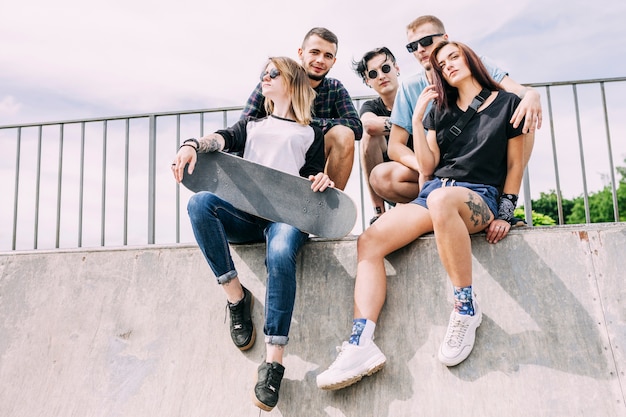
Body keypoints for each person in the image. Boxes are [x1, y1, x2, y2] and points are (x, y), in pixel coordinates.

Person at [316, 40, 528, 390]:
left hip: (479, 196)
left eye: (453, 58)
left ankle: (465, 308)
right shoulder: (438, 109)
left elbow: (516, 164)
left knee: (442, 199)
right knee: (370, 241)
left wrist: (506, 211)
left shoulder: (508, 104)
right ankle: (360, 343)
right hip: (434, 194)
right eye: (441, 65)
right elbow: (427, 166)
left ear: (472, 60)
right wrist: (417, 117)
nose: (447, 66)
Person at [171, 57, 334, 411]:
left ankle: (273, 362)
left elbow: (311, 176)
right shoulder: (252, 125)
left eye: (273, 73)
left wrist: (320, 179)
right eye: (263, 73)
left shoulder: (312, 132)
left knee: (279, 254)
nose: (265, 77)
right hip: (244, 216)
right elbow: (221, 138)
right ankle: (235, 297)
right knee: (200, 204)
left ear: (290, 83)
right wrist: (191, 144)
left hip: (285, 220)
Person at [374, 15, 541, 207]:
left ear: (445, 38)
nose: (420, 49)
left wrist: (532, 95)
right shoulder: (410, 87)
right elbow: (395, 146)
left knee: (524, 114)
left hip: (481, 164)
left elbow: (518, 91)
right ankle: (431, 207)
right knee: (381, 177)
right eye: (412, 47)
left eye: (426, 41)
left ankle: (502, 202)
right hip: (437, 165)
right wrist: (425, 167)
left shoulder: (472, 63)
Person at [240, 27, 362, 191]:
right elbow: (244, 128)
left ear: (334, 61)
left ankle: (327, 210)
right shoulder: (274, 81)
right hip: (270, 160)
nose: (320, 60)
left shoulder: (335, 87)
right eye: (314, 52)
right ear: (301, 53)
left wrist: (303, 124)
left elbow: (356, 126)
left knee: (344, 133)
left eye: (328, 56)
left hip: (311, 159)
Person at [352, 47, 418, 225]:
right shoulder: (371, 106)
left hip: (426, 175)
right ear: (367, 81)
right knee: (368, 136)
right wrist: (413, 124)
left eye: (386, 68)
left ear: (397, 68)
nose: (381, 76)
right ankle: (379, 212)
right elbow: (370, 125)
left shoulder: (415, 96)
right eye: (373, 74)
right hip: (394, 181)